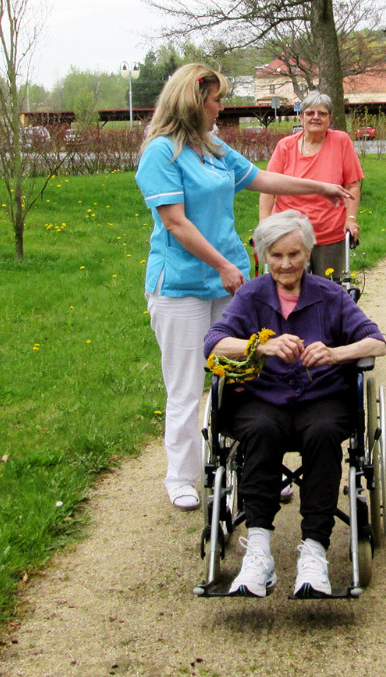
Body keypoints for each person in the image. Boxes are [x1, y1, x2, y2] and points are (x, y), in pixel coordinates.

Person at [136, 64, 352, 512]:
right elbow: (175, 222)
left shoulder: (213, 148)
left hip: (228, 280)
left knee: (246, 374)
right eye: (216, 99)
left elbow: (262, 178)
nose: (221, 107)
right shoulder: (161, 153)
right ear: (195, 102)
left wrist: (320, 188)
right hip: (182, 286)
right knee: (186, 385)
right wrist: (221, 265)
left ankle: (255, 466)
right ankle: (182, 477)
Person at [203, 210, 386, 598]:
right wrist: (261, 346)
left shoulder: (330, 295)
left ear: (308, 252)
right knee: (260, 431)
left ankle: (315, 551)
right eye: (276, 255)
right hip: (262, 398)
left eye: (294, 254)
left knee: (322, 433)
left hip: (321, 398)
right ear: (263, 256)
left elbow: (376, 342)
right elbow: (214, 343)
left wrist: (335, 353)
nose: (286, 264)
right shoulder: (251, 296)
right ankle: (258, 552)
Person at [259, 91, 364, 278]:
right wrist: (264, 222)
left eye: (322, 113)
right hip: (289, 233)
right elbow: (268, 187)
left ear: (330, 119)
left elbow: (352, 185)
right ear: (301, 117)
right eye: (310, 113)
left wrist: (351, 219)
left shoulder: (341, 141)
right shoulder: (285, 146)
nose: (316, 117)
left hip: (330, 232)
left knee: (330, 287)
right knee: (291, 286)